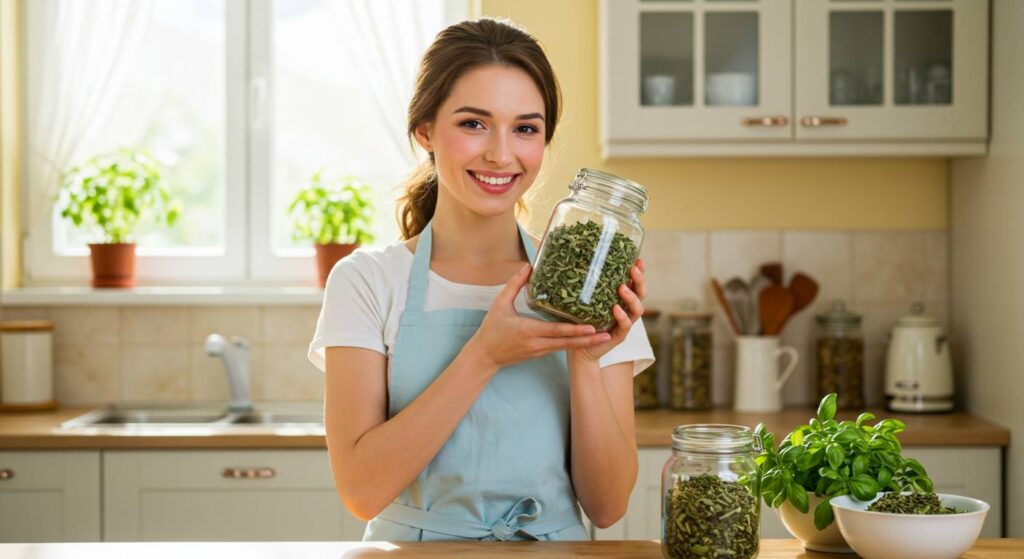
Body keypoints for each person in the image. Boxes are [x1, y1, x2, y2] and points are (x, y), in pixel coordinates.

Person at [308, 17, 654, 542]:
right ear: (425, 130)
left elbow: (607, 507)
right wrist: (484, 354)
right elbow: (361, 491)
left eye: (525, 128)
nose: (501, 153)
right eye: (473, 123)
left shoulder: (584, 283)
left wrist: (585, 358)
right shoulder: (368, 281)